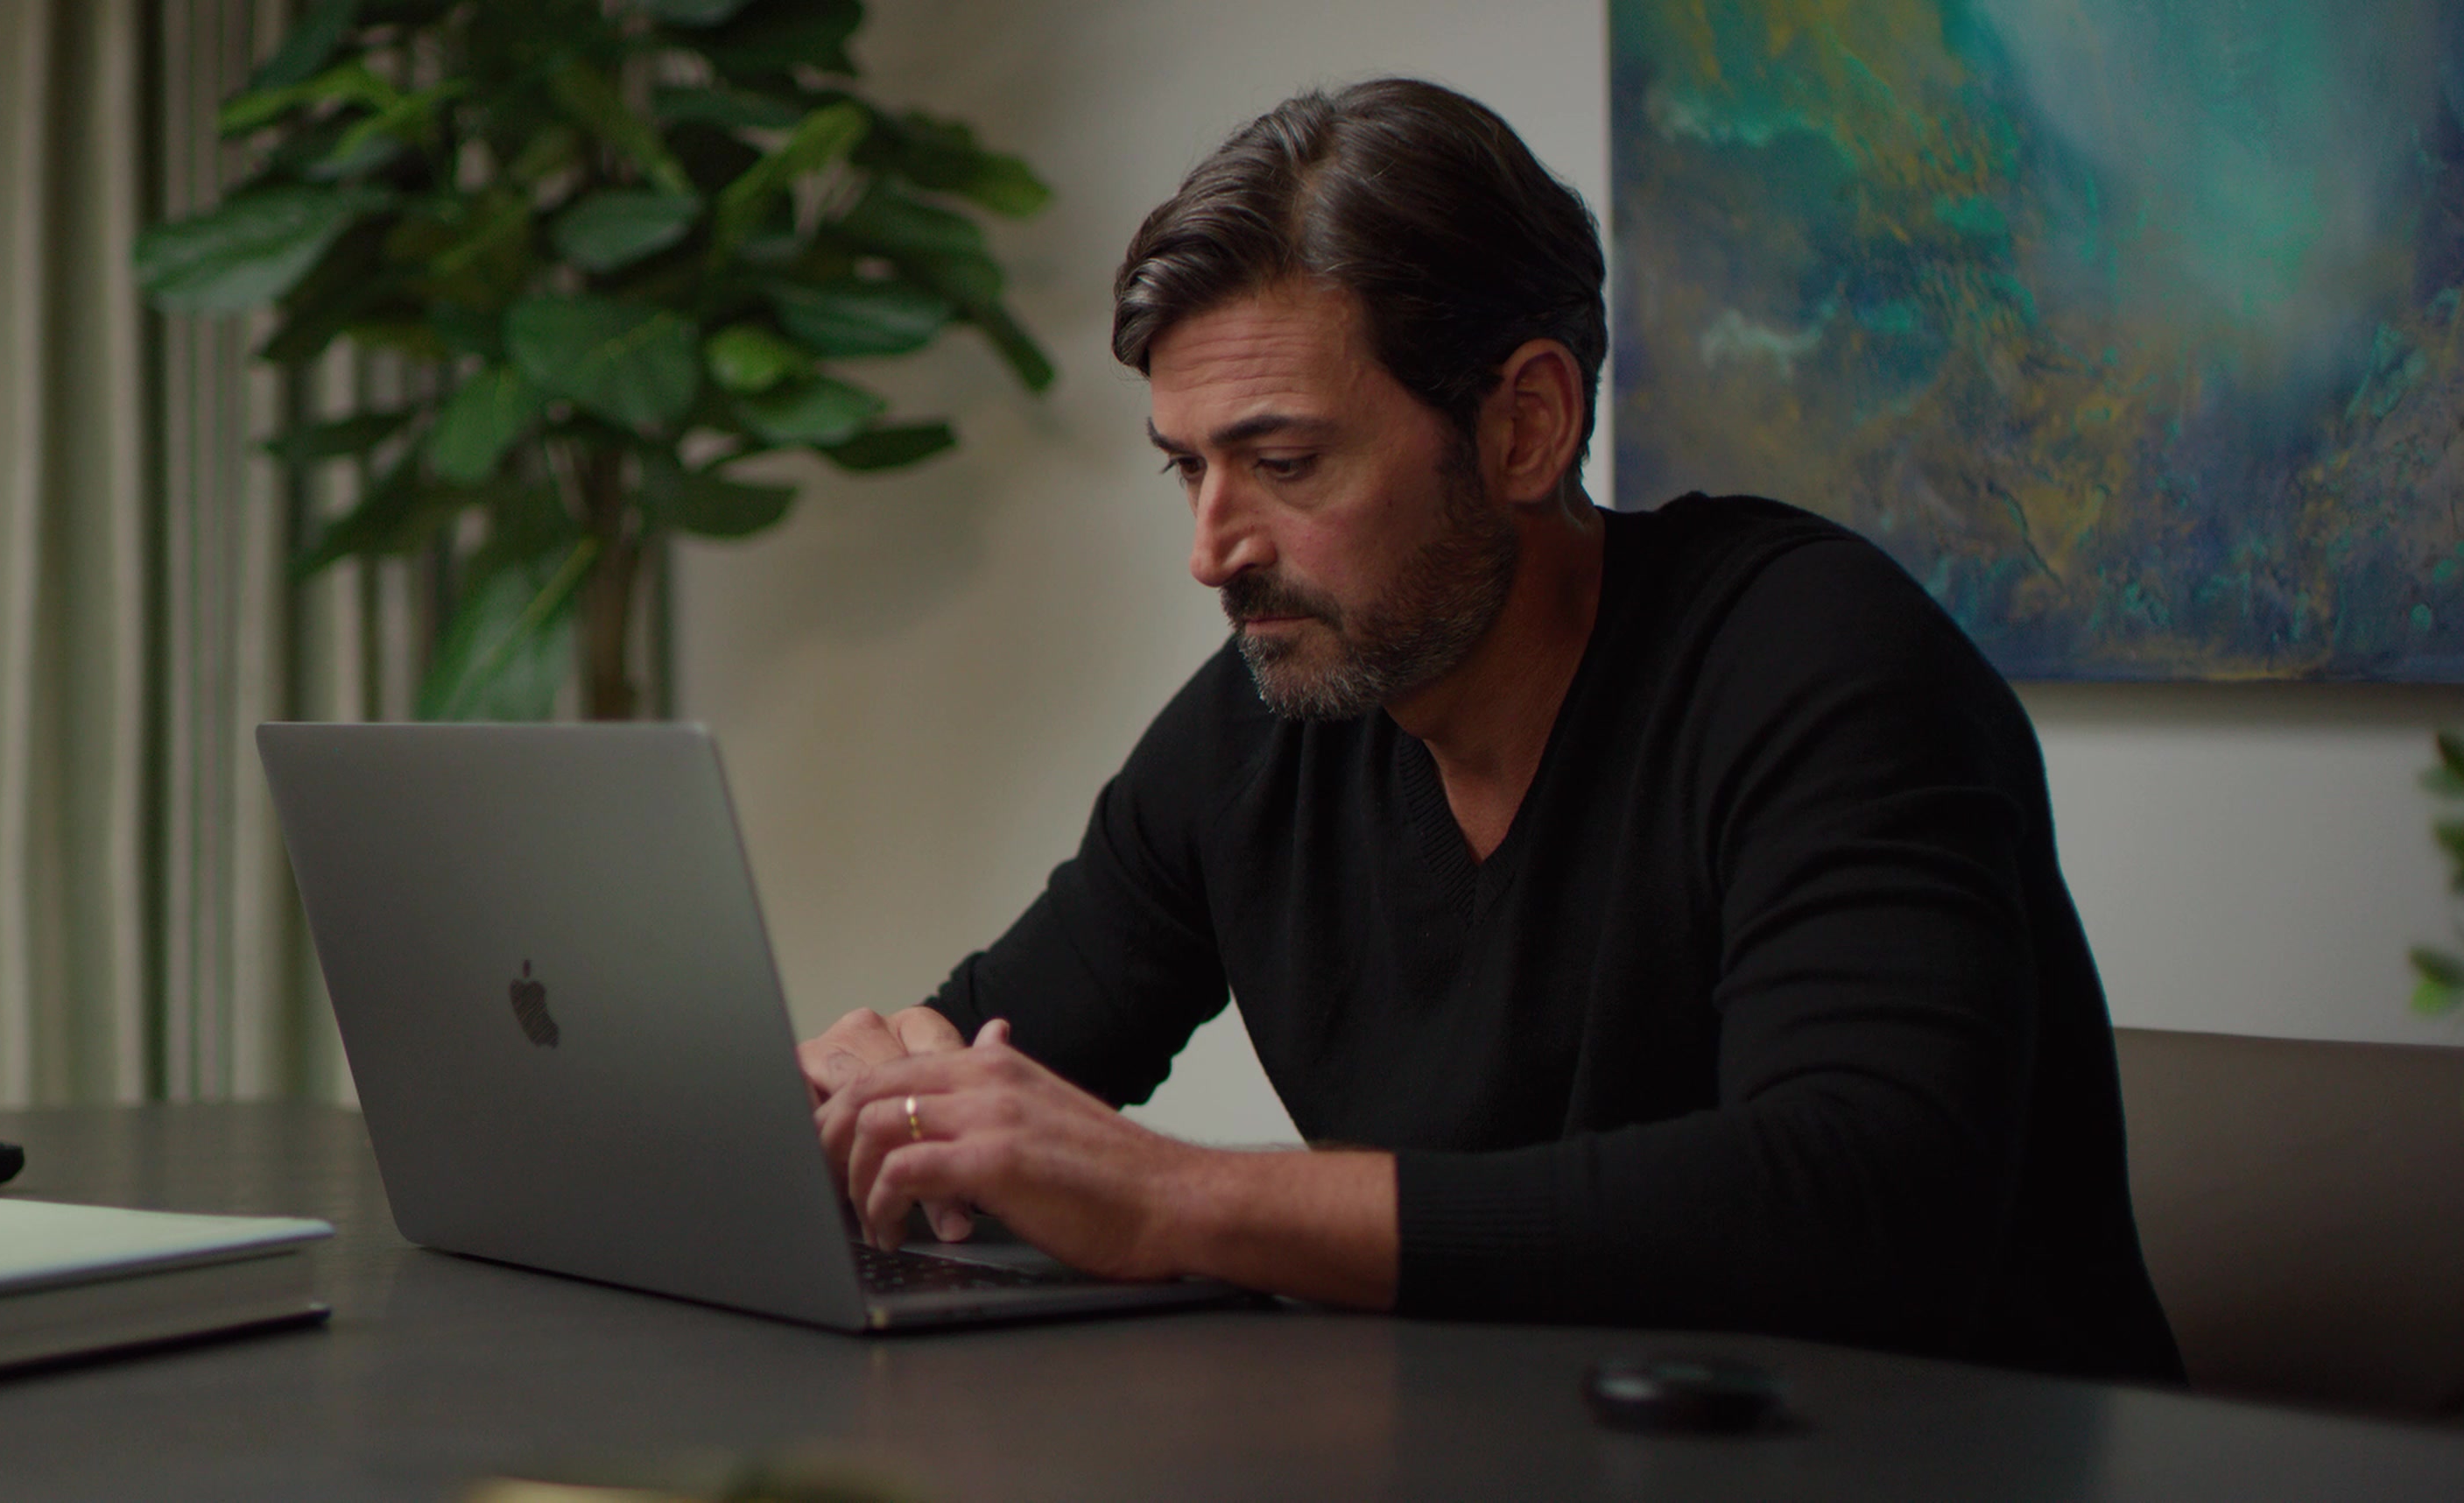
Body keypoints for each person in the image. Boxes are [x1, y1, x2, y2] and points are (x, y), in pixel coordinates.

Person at [794, 79, 2182, 1382]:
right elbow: (994, 1052)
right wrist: (873, 1095)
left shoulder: (1819, 664)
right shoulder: (1268, 717)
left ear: (1525, 424)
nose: (1214, 553)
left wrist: (1181, 1197)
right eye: (1189, 471)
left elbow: (1854, 1202)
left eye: (1283, 465)